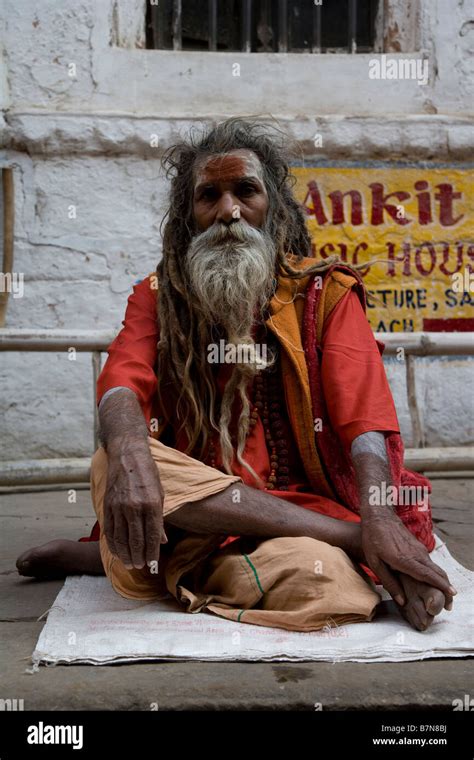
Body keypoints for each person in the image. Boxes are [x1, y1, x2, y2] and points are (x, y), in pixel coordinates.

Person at [17, 119, 456, 633]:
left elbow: (365, 416)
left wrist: (380, 518)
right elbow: (121, 380)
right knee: (114, 455)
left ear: (276, 208)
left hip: (307, 512)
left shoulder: (326, 294)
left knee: (331, 593)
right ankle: (350, 541)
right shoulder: (159, 295)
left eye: (246, 191)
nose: (229, 212)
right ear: (190, 217)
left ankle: (135, 560)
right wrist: (132, 454)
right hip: (185, 506)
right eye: (210, 196)